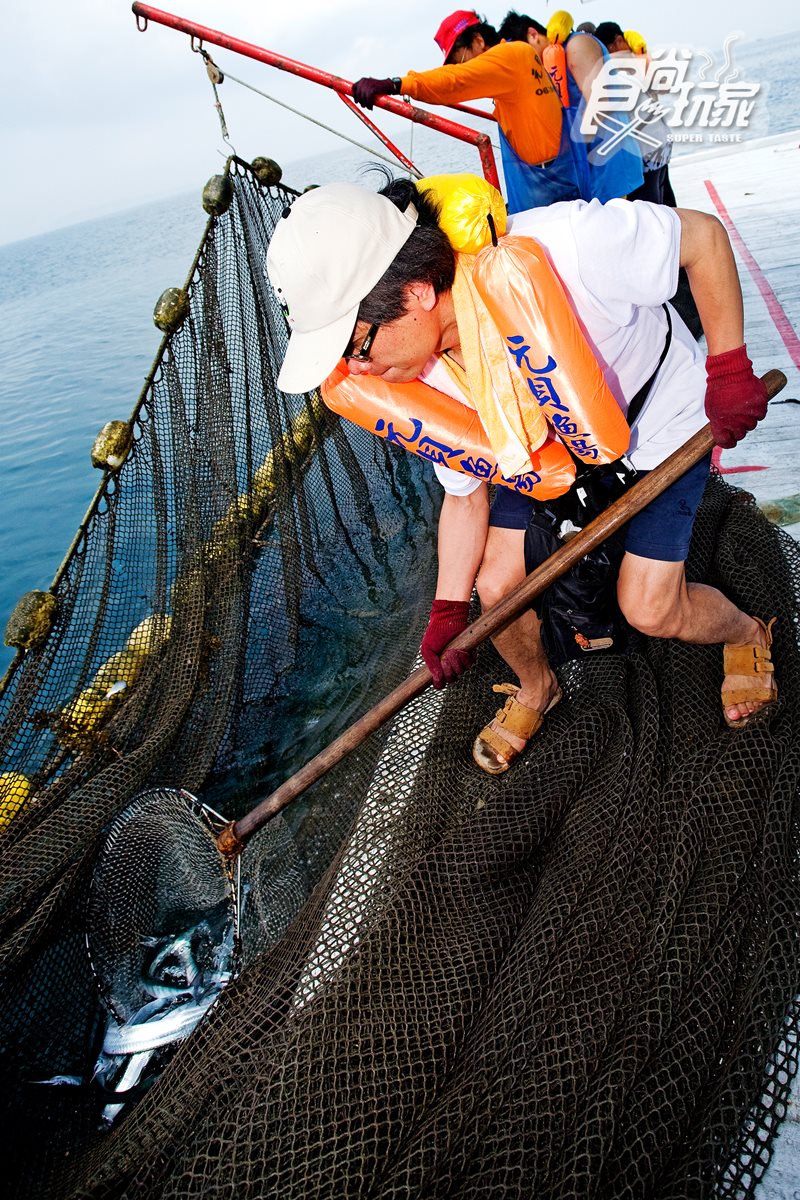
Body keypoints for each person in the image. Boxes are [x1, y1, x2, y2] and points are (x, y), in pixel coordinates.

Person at [265, 177, 775, 775]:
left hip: (658, 423)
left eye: (357, 346)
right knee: (496, 591)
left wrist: (729, 365)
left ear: (418, 290)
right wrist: (448, 610)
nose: (359, 369)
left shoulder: (567, 246)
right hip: (539, 451)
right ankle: (538, 687)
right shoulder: (413, 376)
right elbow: (464, 497)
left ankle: (745, 632)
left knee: (651, 609)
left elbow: (705, 240)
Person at [351, 10, 582, 211]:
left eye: (459, 58)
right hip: (556, 176)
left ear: (479, 40)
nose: (461, 67)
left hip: (548, 186)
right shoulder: (517, 58)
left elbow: (455, 81)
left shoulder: (509, 56)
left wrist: (395, 84)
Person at [498, 10, 644, 202]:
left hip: (610, 169)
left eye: (521, 53)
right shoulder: (549, 62)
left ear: (533, 35)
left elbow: (601, 106)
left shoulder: (576, 45)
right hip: (592, 170)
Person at [593, 21, 674, 205]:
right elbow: (664, 86)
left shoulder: (609, 67)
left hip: (644, 150)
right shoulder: (638, 59)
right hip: (661, 143)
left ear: (616, 42)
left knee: (650, 208)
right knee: (666, 200)